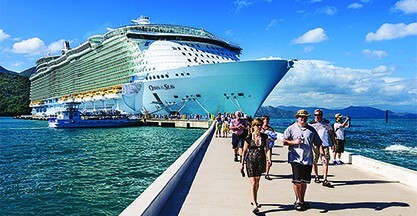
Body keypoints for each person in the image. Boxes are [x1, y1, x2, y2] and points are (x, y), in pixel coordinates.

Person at [283, 109, 323, 211]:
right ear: (297, 117)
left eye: (305, 117)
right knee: (297, 181)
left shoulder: (311, 129)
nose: (303, 119)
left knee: (304, 182)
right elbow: (284, 141)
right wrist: (294, 142)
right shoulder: (291, 128)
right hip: (295, 158)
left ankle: (302, 200)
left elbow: (318, 142)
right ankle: (298, 201)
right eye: (301, 117)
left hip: (308, 159)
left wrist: (322, 154)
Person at [240, 118, 271, 214]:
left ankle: (254, 199)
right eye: (256, 125)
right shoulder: (248, 137)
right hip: (250, 161)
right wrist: (241, 164)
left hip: (260, 160)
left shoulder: (265, 136)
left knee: (257, 182)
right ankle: (254, 204)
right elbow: (244, 151)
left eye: (259, 125)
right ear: (252, 126)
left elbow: (267, 148)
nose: (258, 127)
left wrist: (269, 159)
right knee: (253, 182)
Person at [309, 109, 335, 187]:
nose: (317, 116)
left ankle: (325, 179)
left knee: (325, 161)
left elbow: (331, 133)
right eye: (316, 115)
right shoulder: (311, 124)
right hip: (315, 146)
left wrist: (333, 143)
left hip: (325, 145)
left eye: (319, 115)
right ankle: (316, 176)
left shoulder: (326, 123)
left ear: (322, 115)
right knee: (314, 161)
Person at [261, 115, 277, 180]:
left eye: (268, 120)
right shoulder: (260, 128)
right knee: (261, 160)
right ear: (263, 120)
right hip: (260, 146)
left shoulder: (270, 129)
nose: (267, 121)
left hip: (268, 146)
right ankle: (261, 171)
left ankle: (267, 174)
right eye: (265, 120)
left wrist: (271, 138)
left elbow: (274, 137)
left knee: (269, 160)